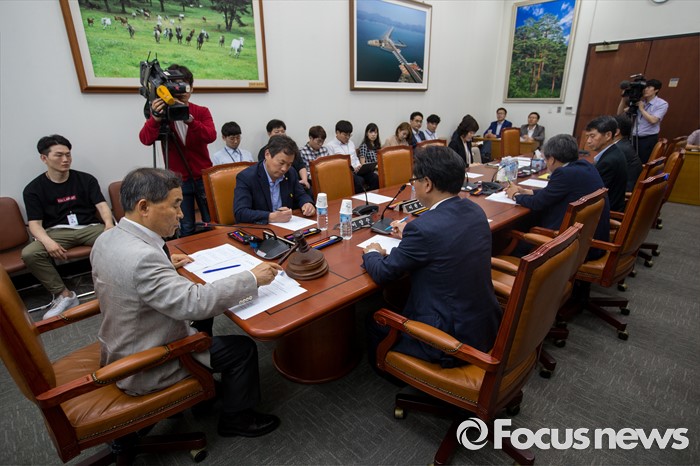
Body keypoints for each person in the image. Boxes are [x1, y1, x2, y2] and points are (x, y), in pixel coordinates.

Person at [92, 167, 282, 438]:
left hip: (120, 341)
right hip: (146, 363)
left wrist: (165, 266)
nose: (181, 214)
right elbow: (195, 303)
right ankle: (237, 419)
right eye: (175, 205)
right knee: (242, 348)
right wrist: (252, 278)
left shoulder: (108, 238)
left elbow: (125, 278)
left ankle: (205, 397)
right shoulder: (144, 259)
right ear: (144, 207)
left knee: (206, 320)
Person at [362, 146, 501, 367]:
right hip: (484, 325)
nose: (413, 186)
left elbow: (383, 273)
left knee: (373, 320)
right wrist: (410, 233)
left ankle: (391, 374)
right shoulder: (475, 210)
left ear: (427, 183)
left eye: (414, 180)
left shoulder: (423, 229)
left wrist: (372, 252)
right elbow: (446, 234)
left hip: (449, 341)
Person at [22, 134, 114, 319]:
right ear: (44, 158)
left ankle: (119, 284)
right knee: (30, 254)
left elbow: (102, 206)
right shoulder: (33, 189)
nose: (65, 159)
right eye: (59, 155)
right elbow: (34, 224)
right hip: (57, 232)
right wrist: (47, 242)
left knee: (119, 239)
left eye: (68, 154)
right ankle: (65, 295)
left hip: (89, 227)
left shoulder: (86, 179)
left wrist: (109, 225)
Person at [138, 64, 215, 237]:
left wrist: (190, 120)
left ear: (192, 88)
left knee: (212, 221)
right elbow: (145, 139)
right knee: (185, 225)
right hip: (179, 180)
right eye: (175, 86)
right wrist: (155, 118)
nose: (181, 91)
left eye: (185, 86)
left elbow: (210, 135)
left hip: (203, 176)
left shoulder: (201, 111)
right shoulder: (163, 114)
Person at [506, 134, 610, 260]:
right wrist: (527, 191)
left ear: (552, 159)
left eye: (545, 160)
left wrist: (515, 195)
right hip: (591, 240)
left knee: (517, 240)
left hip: (575, 246)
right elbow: (552, 192)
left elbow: (537, 203)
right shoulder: (585, 166)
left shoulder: (564, 173)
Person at [234, 135, 316, 224]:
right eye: (281, 163)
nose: (284, 169)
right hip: (261, 228)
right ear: (267, 155)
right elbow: (240, 212)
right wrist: (270, 217)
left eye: (289, 164)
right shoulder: (247, 177)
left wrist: (307, 203)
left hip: (287, 226)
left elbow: (301, 195)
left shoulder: (290, 172)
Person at [616, 78, 669, 163]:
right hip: (633, 137)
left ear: (656, 90)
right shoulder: (640, 102)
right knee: (627, 161)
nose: (646, 89)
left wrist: (641, 109)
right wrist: (623, 98)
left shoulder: (662, 104)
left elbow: (653, 120)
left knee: (641, 163)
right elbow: (620, 113)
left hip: (647, 139)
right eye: (645, 87)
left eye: (649, 87)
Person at [585, 116, 628, 212]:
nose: (588, 141)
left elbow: (593, 194)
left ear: (608, 135)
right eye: (587, 137)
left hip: (605, 212)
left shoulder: (608, 162)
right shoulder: (614, 152)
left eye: (592, 136)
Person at [326, 120, 379, 194]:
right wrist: (351, 169)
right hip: (345, 173)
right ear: (337, 132)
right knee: (359, 181)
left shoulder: (351, 143)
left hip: (357, 171)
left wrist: (359, 166)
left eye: (349, 135)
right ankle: (361, 199)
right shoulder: (330, 146)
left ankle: (373, 197)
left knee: (374, 177)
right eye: (345, 135)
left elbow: (355, 158)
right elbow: (333, 165)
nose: (347, 137)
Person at [256, 119, 310, 191]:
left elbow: (301, 166)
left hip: (294, 182)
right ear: (269, 133)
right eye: (277, 132)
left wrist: (304, 180)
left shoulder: (291, 149)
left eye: (283, 131)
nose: (280, 134)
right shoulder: (264, 151)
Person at [613, 114, 642, 191]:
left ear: (616, 132)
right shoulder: (624, 144)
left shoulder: (618, 149)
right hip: (626, 186)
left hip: (623, 191)